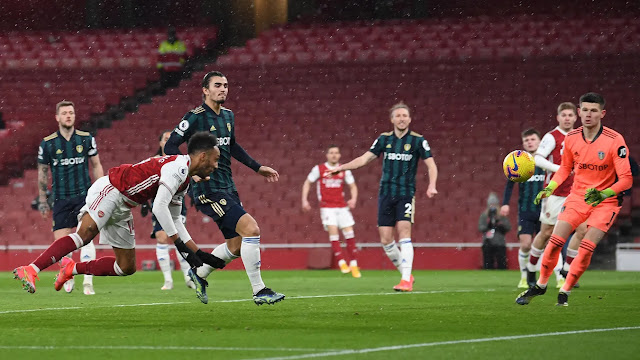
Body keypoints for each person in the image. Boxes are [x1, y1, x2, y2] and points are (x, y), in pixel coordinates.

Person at [14, 132, 227, 294]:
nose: (216, 165)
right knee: (84, 235)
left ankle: (72, 269)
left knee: (126, 267)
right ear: (202, 156)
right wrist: (180, 244)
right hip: (112, 188)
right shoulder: (178, 168)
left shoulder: (184, 179)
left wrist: (199, 253)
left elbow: (174, 219)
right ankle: (31, 269)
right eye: (215, 160)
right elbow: (158, 207)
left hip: (124, 204)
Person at [164, 71, 285, 305]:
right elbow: (169, 146)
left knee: (236, 245)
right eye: (217, 85)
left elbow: (233, 146)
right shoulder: (195, 117)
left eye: (226, 85)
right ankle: (259, 290)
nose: (223, 89)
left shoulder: (228, 116)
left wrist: (257, 167)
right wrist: (189, 171)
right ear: (205, 90)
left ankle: (199, 273)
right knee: (251, 229)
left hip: (228, 186)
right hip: (207, 189)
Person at [516, 92, 633, 306]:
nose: (588, 115)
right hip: (577, 196)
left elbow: (626, 179)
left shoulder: (615, 140)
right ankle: (541, 285)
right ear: (579, 112)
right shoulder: (571, 138)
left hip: (605, 202)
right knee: (554, 242)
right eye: (585, 110)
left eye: (593, 111)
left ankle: (566, 290)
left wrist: (604, 193)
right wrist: (550, 187)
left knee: (587, 247)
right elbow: (565, 169)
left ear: (602, 113)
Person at [325, 102, 438, 292]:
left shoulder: (418, 141)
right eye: (398, 116)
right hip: (386, 193)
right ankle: (406, 274)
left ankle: (405, 281)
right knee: (386, 240)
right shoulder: (384, 140)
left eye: (405, 115)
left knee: (404, 232)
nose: (402, 118)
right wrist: (341, 168)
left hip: (405, 193)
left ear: (409, 119)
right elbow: (364, 158)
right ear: (392, 119)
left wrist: (432, 185)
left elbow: (431, 165)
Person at [37, 100, 104, 295]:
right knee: (62, 245)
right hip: (61, 199)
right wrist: (42, 200)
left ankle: (88, 282)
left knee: (87, 238)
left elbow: (96, 164)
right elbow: (42, 172)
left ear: (75, 116)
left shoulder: (86, 138)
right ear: (57, 117)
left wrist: (100, 191)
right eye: (65, 113)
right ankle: (68, 276)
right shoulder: (48, 143)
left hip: (84, 197)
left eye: (71, 113)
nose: (68, 115)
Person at [501, 128, 562, 288]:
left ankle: (559, 277)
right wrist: (505, 203)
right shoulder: (519, 163)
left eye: (532, 139)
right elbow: (509, 184)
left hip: (545, 209)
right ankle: (524, 277)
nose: (529, 142)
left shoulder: (546, 162)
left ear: (540, 141)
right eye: (526, 140)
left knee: (550, 244)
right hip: (526, 210)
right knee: (526, 244)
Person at [526, 103, 578, 288]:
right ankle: (531, 268)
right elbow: (537, 158)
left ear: (575, 117)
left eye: (570, 115)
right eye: (563, 115)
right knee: (547, 232)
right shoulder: (552, 137)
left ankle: (566, 270)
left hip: (577, 191)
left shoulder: (580, 136)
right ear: (558, 117)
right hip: (555, 191)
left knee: (583, 230)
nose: (567, 118)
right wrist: (561, 170)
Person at [302, 144, 361, 277]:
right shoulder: (319, 169)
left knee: (350, 234)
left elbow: (353, 186)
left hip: (342, 207)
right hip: (327, 208)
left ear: (339, 155)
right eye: (331, 152)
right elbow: (307, 183)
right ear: (327, 155)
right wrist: (304, 200)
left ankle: (353, 264)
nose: (334, 155)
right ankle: (341, 262)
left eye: (336, 153)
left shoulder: (344, 169)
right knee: (334, 233)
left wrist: (353, 199)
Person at [146, 131, 195, 290]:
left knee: (178, 237)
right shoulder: (153, 161)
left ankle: (188, 276)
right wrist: (143, 203)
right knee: (162, 237)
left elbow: (190, 179)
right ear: (160, 143)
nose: (167, 142)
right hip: (159, 204)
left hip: (177, 203)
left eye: (170, 139)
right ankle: (168, 280)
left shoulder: (181, 161)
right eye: (165, 139)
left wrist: (193, 194)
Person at [479, 193, 511, 269]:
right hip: (487, 242)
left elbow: (508, 227)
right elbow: (480, 227)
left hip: (500, 242)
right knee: (488, 265)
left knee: (502, 264)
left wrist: (500, 224)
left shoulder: (502, 215)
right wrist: (488, 225)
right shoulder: (484, 215)